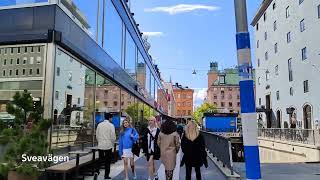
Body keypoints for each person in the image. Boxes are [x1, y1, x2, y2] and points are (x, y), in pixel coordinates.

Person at [95, 113, 116, 180]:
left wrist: (99, 141)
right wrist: (112, 143)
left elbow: (97, 135)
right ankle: (106, 175)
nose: (111, 119)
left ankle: (96, 171)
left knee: (100, 159)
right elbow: (113, 136)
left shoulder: (99, 125)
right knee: (107, 161)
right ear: (110, 118)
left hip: (100, 145)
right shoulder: (111, 125)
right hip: (108, 145)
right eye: (111, 118)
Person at [118, 116, 139, 180]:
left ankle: (133, 172)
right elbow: (120, 142)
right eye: (124, 123)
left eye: (126, 122)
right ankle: (126, 177)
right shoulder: (121, 132)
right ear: (123, 124)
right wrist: (120, 151)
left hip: (131, 149)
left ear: (128, 123)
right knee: (125, 163)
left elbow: (137, 137)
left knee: (132, 164)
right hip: (124, 149)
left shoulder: (132, 130)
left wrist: (133, 136)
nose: (125, 124)